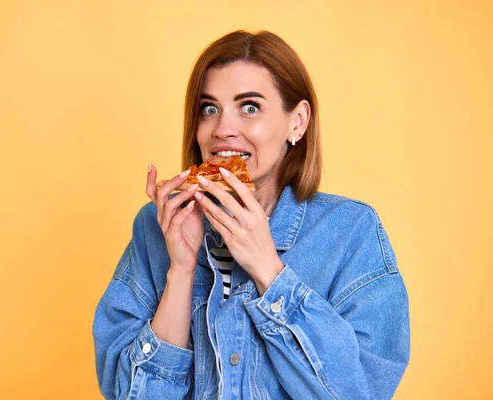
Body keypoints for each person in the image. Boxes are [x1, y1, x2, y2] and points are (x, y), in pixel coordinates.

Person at [93, 29, 410, 400]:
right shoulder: (157, 227)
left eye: (249, 107)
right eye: (209, 109)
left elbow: (360, 392)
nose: (223, 130)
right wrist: (181, 270)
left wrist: (268, 270)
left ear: (297, 122)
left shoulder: (351, 233)